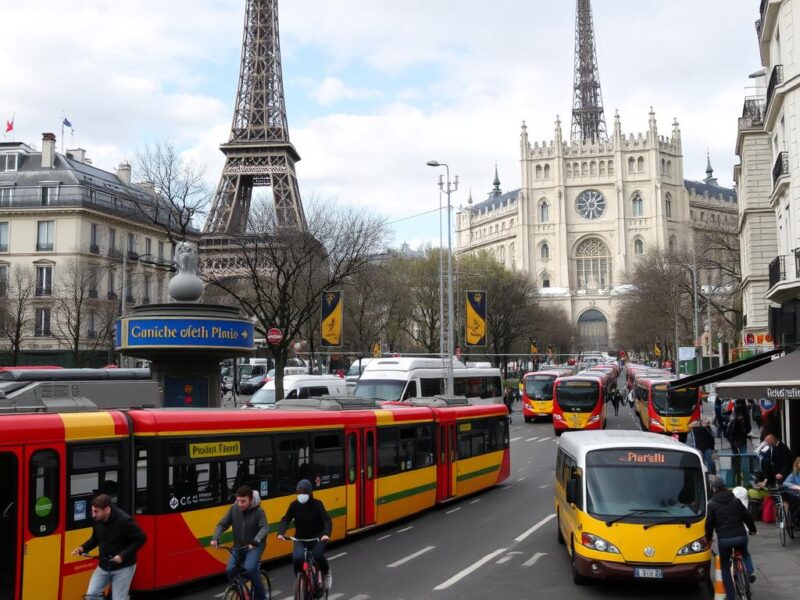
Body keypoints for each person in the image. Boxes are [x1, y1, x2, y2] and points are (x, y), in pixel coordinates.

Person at [71, 494, 147, 600]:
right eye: (92, 511)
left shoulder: (124, 520)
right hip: (104, 566)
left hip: (123, 568)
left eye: (96, 511)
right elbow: (95, 539)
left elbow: (141, 538)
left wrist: (122, 556)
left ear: (107, 509)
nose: (93, 515)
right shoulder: (97, 520)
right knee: (91, 596)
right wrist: (82, 548)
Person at [210, 485, 269, 600]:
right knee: (230, 569)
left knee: (251, 568)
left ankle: (261, 597)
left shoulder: (259, 511)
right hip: (239, 546)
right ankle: (243, 592)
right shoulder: (234, 508)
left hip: (255, 546)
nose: (240, 504)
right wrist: (215, 538)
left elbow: (265, 528)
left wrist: (256, 540)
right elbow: (222, 524)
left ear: (251, 500)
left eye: (243, 501)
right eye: (238, 501)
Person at [705, 478, 757, 600]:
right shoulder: (736, 500)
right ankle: (749, 572)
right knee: (744, 552)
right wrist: (752, 529)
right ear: (725, 487)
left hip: (724, 540)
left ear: (714, 489)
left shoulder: (711, 504)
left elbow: (709, 524)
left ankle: (730, 596)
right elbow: (747, 516)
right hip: (741, 536)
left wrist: (709, 538)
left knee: (724, 566)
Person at [277, 479, 333, 591]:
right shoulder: (294, 505)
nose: (301, 496)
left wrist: (326, 534)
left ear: (310, 493)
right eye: (299, 493)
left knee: (317, 555)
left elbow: (327, 521)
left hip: (317, 537)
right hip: (300, 538)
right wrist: (281, 532)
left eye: (304, 493)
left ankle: (326, 573)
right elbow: (286, 519)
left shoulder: (318, 504)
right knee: (297, 558)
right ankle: (300, 579)